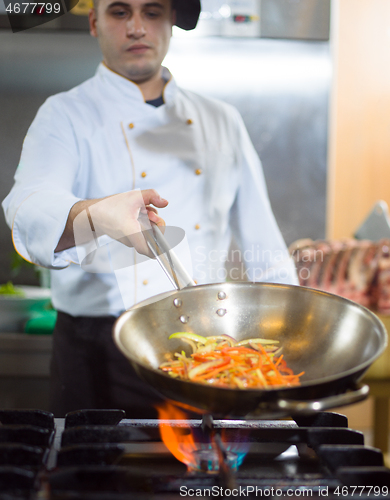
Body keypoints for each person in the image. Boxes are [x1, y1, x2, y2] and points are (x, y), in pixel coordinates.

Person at [2, 0, 298, 418]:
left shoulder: (221, 120)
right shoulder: (64, 114)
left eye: (153, 11)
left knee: (198, 479)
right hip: (96, 349)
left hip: (206, 345)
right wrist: (99, 215)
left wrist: (295, 336)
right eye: (120, 12)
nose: (137, 28)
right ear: (94, 22)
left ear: (172, 21)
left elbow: (263, 243)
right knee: (88, 479)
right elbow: (27, 206)